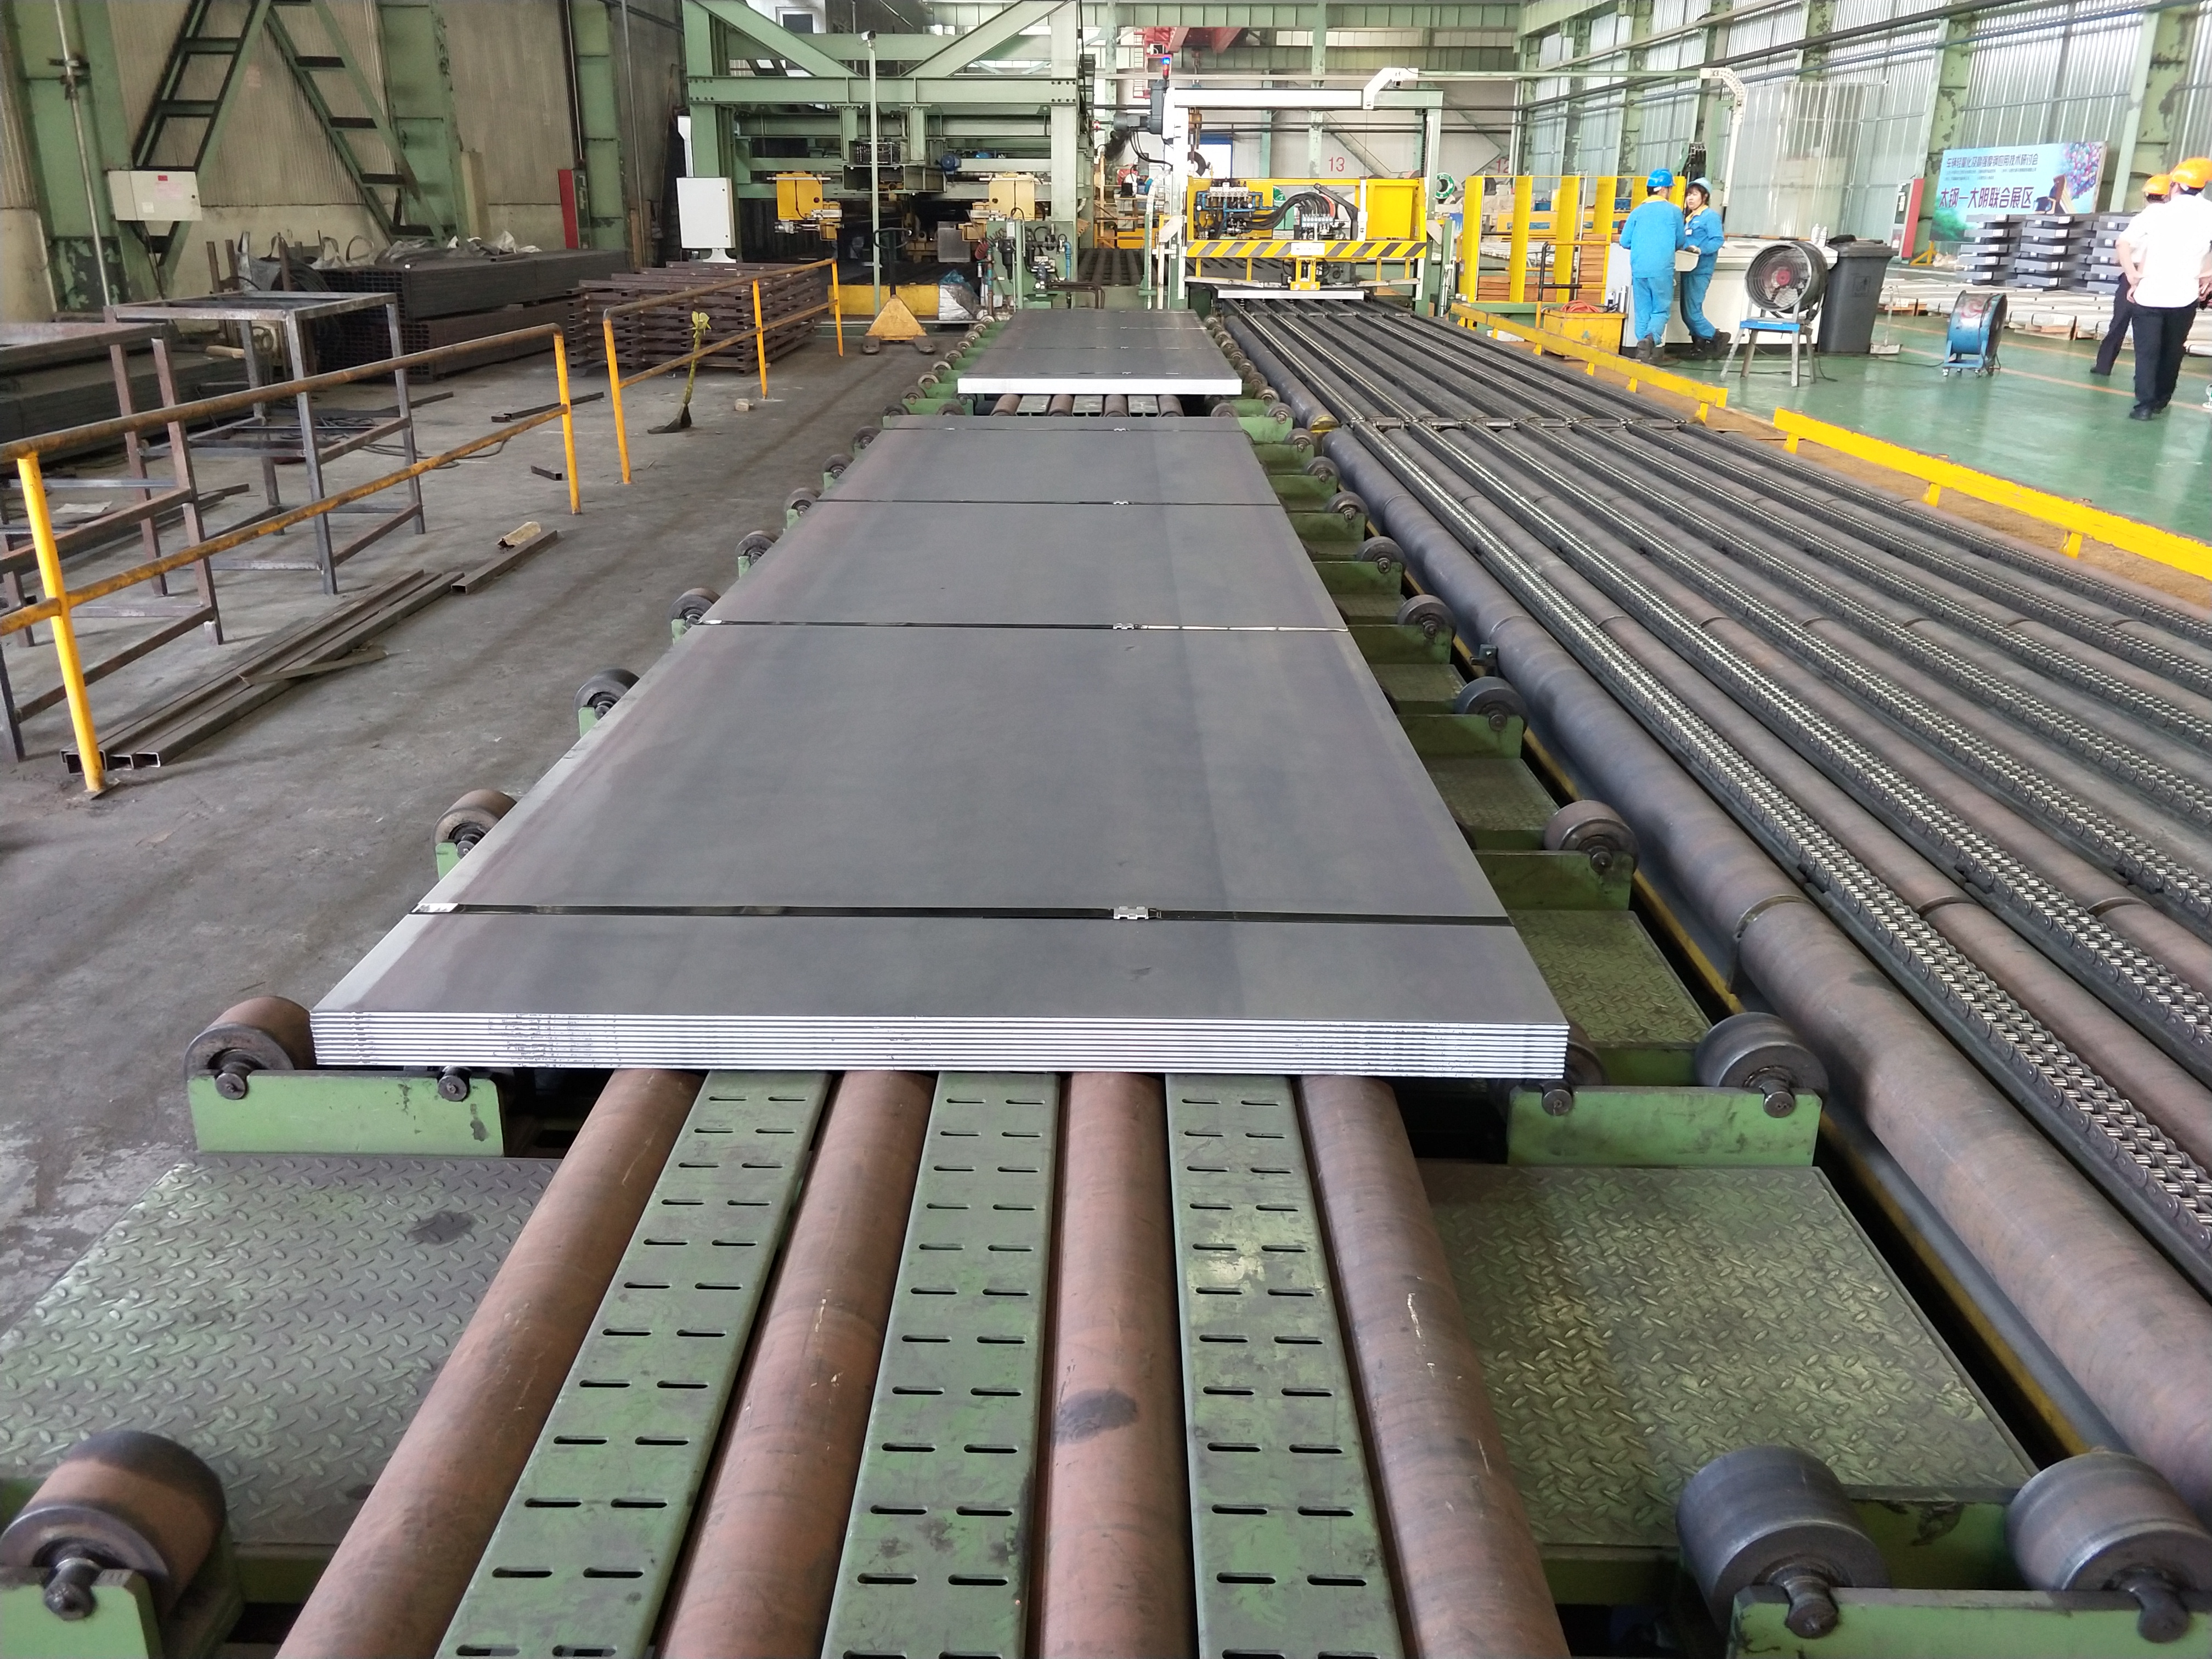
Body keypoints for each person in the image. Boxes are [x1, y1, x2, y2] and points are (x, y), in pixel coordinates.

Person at [2115, 155, 2212, 419]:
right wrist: (2207, 275)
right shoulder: (2209, 212)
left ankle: (2144, 406)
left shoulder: (2157, 213)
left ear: (2176, 185)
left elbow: (2123, 243)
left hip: (2150, 294)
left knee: (2147, 353)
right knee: (2172, 352)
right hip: (2185, 297)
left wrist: (2133, 275)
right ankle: (2161, 400)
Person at [2092, 173, 2170, 377]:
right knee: (2153, 329)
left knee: (2119, 323)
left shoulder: (2142, 218)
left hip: (2133, 276)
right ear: (2168, 196)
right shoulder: (2175, 220)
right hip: (2162, 278)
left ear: (2146, 196)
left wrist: (2129, 271)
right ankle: (2149, 374)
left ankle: (2103, 366)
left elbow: (2122, 249)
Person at [1617, 169, 1686, 363]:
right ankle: (1650, 339)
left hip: (1639, 269)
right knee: (1660, 309)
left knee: (1643, 311)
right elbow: (1681, 241)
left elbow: (1624, 241)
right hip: (1662, 270)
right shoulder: (1674, 212)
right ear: (1664, 189)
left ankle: (1642, 352)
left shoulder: (1637, 212)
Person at [1677, 178, 1725, 358]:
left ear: (1704, 197)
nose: (1690, 199)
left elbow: (1718, 240)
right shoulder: (1690, 219)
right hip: (1687, 267)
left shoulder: (1710, 217)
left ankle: (1717, 337)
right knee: (1687, 311)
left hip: (1700, 269)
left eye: (1695, 195)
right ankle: (1698, 346)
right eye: (1688, 195)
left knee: (1692, 311)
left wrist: (1700, 249)